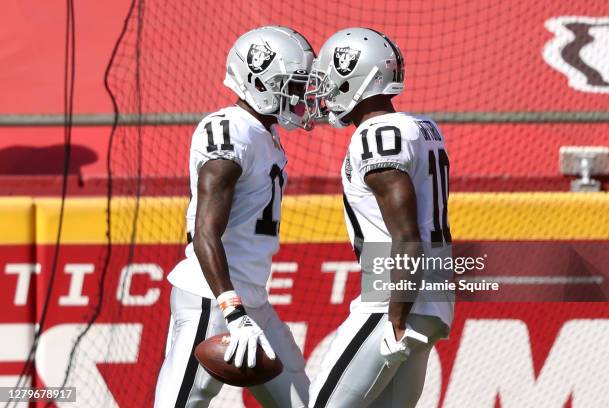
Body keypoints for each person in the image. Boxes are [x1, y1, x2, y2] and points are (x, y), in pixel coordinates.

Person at [154, 25, 314, 407]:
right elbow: (204, 232)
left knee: (306, 401)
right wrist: (233, 311)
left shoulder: (263, 132)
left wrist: (245, 307)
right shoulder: (230, 130)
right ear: (258, 80)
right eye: (290, 85)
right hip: (215, 299)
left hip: (251, 298)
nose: (297, 95)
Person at [306, 28, 454, 407]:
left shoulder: (377, 135)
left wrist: (395, 315)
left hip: (392, 295)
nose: (323, 90)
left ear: (356, 76)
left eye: (329, 78)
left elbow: (406, 234)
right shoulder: (423, 128)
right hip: (433, 297)